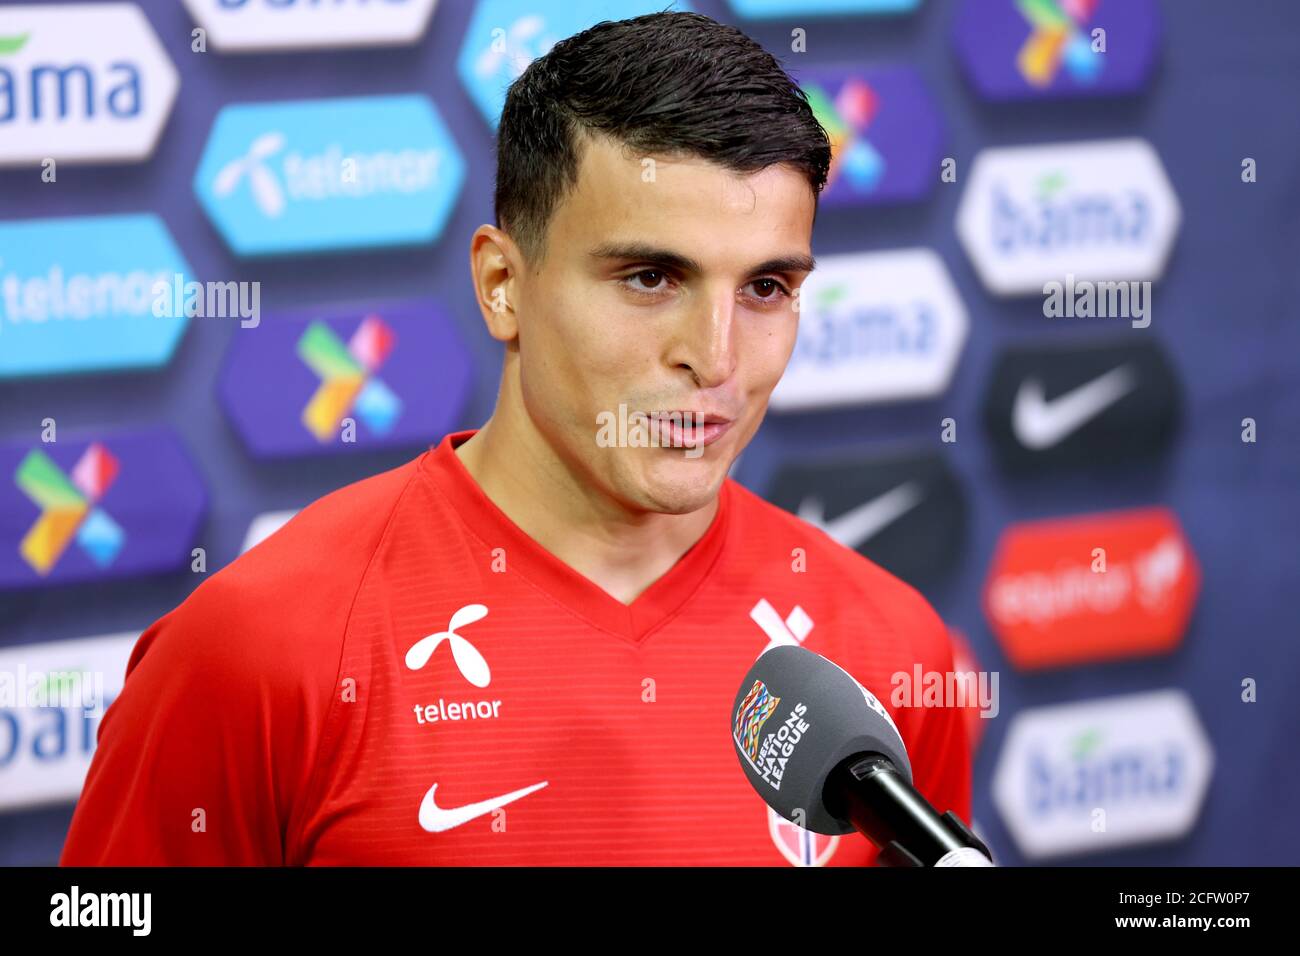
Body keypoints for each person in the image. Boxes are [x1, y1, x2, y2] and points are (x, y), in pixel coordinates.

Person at [60, 10, 970, 866]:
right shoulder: (258, 649)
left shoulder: (887, 651)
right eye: (651, 277)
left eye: (767, 288)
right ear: (503, 284)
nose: (714, 357)